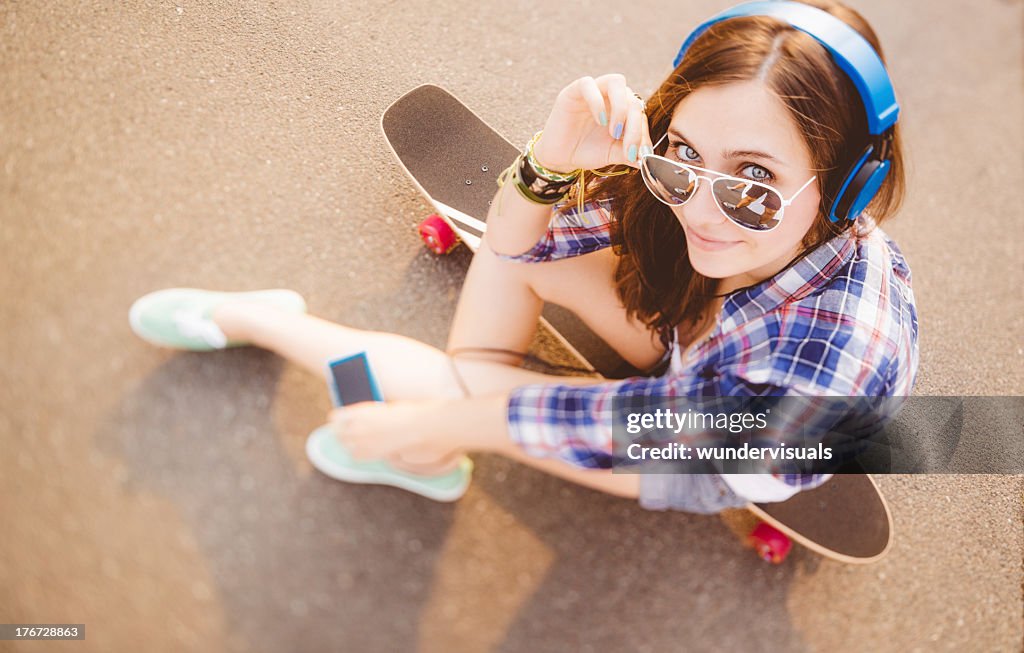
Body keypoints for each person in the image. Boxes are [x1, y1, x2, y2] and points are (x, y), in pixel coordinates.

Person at [128, 0, 919, 513]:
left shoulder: (832, 366)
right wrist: (552, 159)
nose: (701, 211)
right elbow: (513, 242)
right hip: (696, 335)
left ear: (852, 186)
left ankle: (271, 326)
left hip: (712, 446)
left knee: (459, 395)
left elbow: (604, 426)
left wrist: (443, 423)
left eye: (755, 182)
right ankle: (400, 399)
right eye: (681, 154)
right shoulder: (684, 195)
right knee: (508, 296)